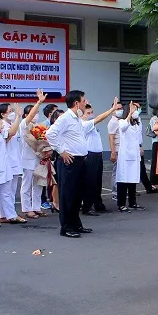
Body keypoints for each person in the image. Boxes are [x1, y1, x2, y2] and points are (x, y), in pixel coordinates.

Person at [46, 91, 112, 238]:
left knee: (77, 195)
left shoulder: (76, 119)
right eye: (83, 100)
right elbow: (50, 134)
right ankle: (67, 227)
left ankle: (76, 224)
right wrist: (61, 151)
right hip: (69, 161)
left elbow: (89, 126)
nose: (85, 102)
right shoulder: (65, 118)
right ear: (77, 103)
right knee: (68, 195)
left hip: (81, 161)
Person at [81, 102, 117, 216]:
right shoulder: (83, 124)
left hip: (97, 155)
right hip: (89, 155)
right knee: (90, 182)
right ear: (82, 115)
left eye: (91, 112)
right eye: (88, 113)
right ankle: (87, 207)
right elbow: (99, 118)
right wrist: (112, 110)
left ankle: (98, 204)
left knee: (97, 182)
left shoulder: (92, 125)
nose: (91, 114)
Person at [19, 89, 49, 219]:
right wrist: (39, 102)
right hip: (27, 159)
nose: (35, 115)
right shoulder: (24, 125)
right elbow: (29, 118)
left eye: (37, 113)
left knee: (38, 184)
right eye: (33, 113)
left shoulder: (39, 126)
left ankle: (36, 207)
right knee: (27, 184)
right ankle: (27, 208)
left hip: (39, 159)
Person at [0, 103, 24, 224]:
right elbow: (11, 133)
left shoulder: (12, 124)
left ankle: (5, 214)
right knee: (7, 190)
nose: (13, 112)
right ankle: (10, 214)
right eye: (10, 111)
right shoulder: (2, 125)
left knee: (10, 190)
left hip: (15, 160)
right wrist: (18, 116)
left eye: (13, 110)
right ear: (2, 114)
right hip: (7, 161)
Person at [116, 102, 144, 212]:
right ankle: (121, 204)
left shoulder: (137, 123)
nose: (135, 111)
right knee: (123, 181)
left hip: (135, 155)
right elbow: (123, 127)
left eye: (136, 109)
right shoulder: (122, 122)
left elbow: (139, 137)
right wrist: (129, 115)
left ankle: (133, 203)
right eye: (133, 109)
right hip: (126, 156)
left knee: (133, 180)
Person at [40, 103, 59, 209]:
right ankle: (43, 199)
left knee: (54, 180)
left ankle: (53, 199)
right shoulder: (44, 125)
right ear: (51, 114)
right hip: (47, 155)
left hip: (54, 155)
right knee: (44, 179)